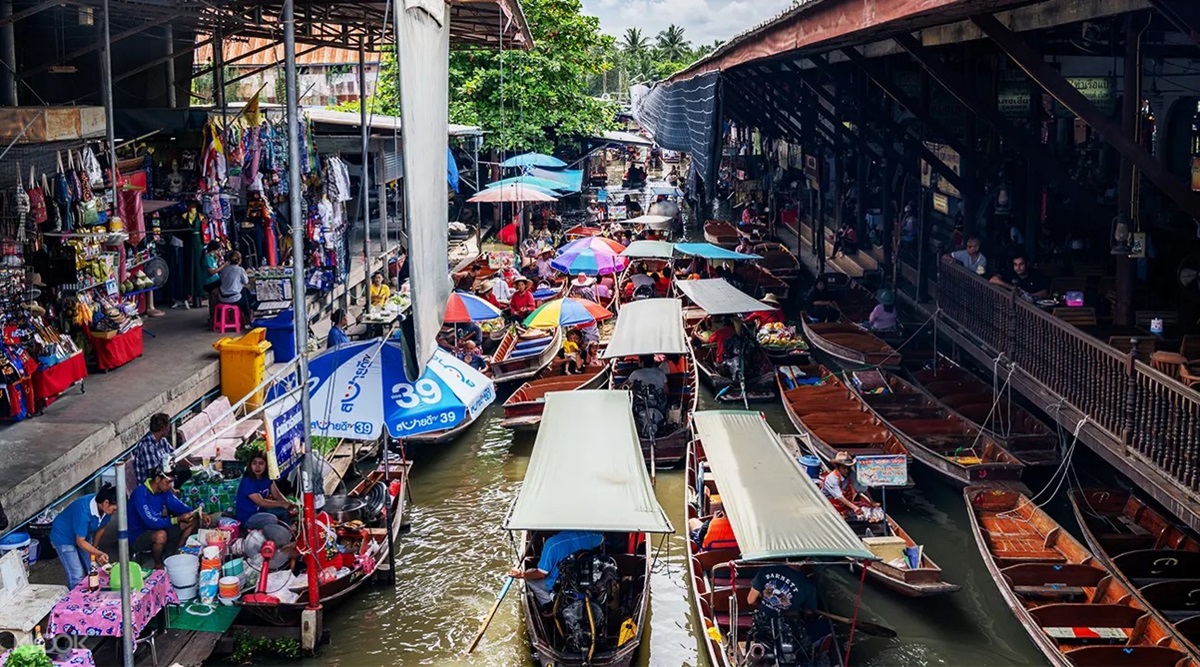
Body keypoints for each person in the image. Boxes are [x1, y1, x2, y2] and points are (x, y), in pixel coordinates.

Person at [509, 530, 604, 607]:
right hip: (585, 579)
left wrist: (521, 574)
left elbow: (541, 574)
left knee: (529, 574)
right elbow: (603, 538)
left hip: (560, 585)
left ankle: (548, 604)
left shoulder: (552, 544)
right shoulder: (589, 535)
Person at [128, 468, 200, 568]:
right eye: (167, 482)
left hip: (158, 527)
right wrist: (177, 519)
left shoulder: (164, 492)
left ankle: (176, 555)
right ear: (157, 479)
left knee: (192, 520)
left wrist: (196, 512)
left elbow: (179, 506)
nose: (170, 486)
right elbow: (151, 522)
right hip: (138, 535)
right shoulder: (140, 494)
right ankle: (158, 564)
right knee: (161, 535)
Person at [50, 484, 117, 588]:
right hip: (63, 537)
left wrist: (94, 549)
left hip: (83, 535)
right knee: (77, 575)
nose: (115, 512)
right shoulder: (84, 510)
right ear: (106, 503)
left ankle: (92, 595)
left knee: (93, 568)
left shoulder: (106, 510)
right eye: (115, 509)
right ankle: (77, 602)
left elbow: (102, 527)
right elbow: (80, 542)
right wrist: (99, 553)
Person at [235, 452, 293, 525]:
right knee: (272, 519)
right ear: (250, 465)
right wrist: (282, 504)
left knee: (284, 512)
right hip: (248, 518)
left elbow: (277, 494)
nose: (257, 467)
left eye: (261, 463)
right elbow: (261, 502)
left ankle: (290, 531)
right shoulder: (247, 482)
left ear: (266, 465)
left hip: (262, 512)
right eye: (254, 463)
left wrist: (288, 504)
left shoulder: (267, 478)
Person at [820, 452, 879, 518]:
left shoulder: (850, 474)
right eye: (844, 468)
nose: (847, 471)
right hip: (829, 503)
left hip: (845, 505)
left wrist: (871, 501)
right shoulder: (832, 479)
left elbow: (862, 487)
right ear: (838, 467)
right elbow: (839, 497)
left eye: (848, 468)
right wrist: (854, 507)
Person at [748, 563, 818, 618]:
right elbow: (809, 612)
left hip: (762, 623)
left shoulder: (767, 569)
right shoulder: (808, 585)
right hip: (787, 630)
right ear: (807, 559)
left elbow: (751, 600)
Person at [133, 413, 174, 485]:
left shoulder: (162, 441)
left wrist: (191, 466)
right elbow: (155, 474)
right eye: (168, 426)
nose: (169, 429)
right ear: (163, 429)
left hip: (163, 481)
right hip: (150, 488)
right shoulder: (147, 446)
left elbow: (175, 454)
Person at [217, 250, 251, 324]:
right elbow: (246, 282)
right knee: (246, 294)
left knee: (243, 291)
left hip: (222, 298)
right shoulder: (240, 270)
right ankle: (248, 319)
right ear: (239, 260)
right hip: (234, 299)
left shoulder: (224, 269)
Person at [202, 241, 226, 326]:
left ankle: (218, 315)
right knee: (216, 296)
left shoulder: (212, 257)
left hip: (216, 280)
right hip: (210, 282)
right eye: (216, 250)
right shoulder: (207, 258)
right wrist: (223, 266)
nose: (217, 252)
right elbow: (212, 272)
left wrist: (219, 259)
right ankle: (214, 316)